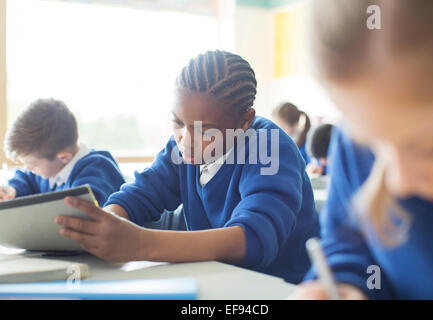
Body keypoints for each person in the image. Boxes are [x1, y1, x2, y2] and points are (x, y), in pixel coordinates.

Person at [54, 50, 320, 284]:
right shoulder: (181, 147)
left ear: (244, 121)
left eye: (205, 131)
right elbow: (140, 194)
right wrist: (103, 224)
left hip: (277, 289)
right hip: (214, 280)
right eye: (178, 122)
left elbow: (253, 238)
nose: (185, 141)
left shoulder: (269, 146)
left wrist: (140, 244)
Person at [292, 0, 433, 299]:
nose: (398, 183)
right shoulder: (353, 139)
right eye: (371, 144)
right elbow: (350, 242)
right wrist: (345, 286)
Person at [0, 98, 125, 206]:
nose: (28, 169)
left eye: (33, 165)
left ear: (63, 157)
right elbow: (28, 178)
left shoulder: (98, 172)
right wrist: (13, 190)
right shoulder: (51, 166)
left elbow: (83, 215)